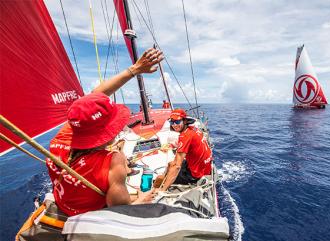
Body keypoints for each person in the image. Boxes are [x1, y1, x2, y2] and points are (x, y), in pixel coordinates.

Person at [46, 48, 164, 216]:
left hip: (63, 204)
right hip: (89, 216)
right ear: (106, 133)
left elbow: (91, 100)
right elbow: (120, 211)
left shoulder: (63, 137)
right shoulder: (114, 162)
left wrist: (134, 69)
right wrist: (141, 200)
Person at [155, 109, 212, 191]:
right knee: (170, 164)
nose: (174, 125)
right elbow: (191, 143)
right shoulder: (193, 129)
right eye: (172, 122)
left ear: (184, 121)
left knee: (171, 171)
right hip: (206, 167)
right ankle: (164, 176)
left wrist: (162, 190)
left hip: (196, 174)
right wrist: (172, 145)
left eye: (177, 122)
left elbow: (177, 167)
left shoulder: (184, 137)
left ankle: (162, 187)